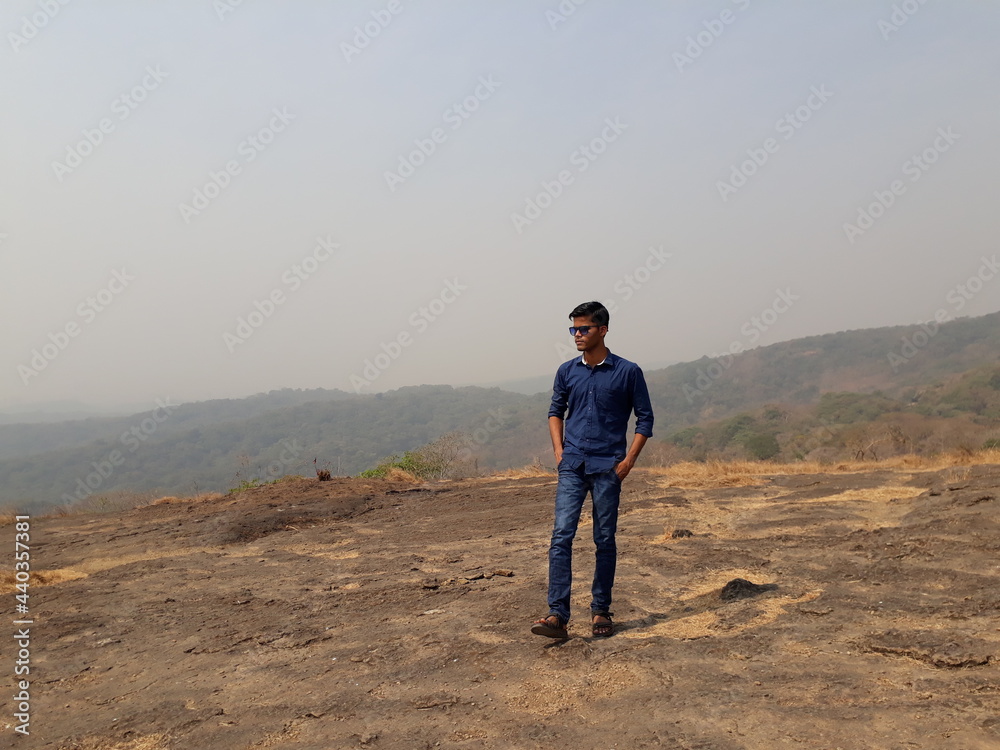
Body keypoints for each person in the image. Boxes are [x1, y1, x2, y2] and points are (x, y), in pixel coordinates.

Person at [532, 301, 654, 639]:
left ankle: (601, 611)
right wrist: (559, 451)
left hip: (608, 467)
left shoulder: (627, 371)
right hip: (572, 464)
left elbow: (645, 419)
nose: (577, 335)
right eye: (574, 329)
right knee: (561, 536)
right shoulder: (567, 371)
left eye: (584, 329)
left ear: (603, 329)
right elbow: (555, 411)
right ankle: (557, 615)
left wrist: (628, 461)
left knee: (604, 539)